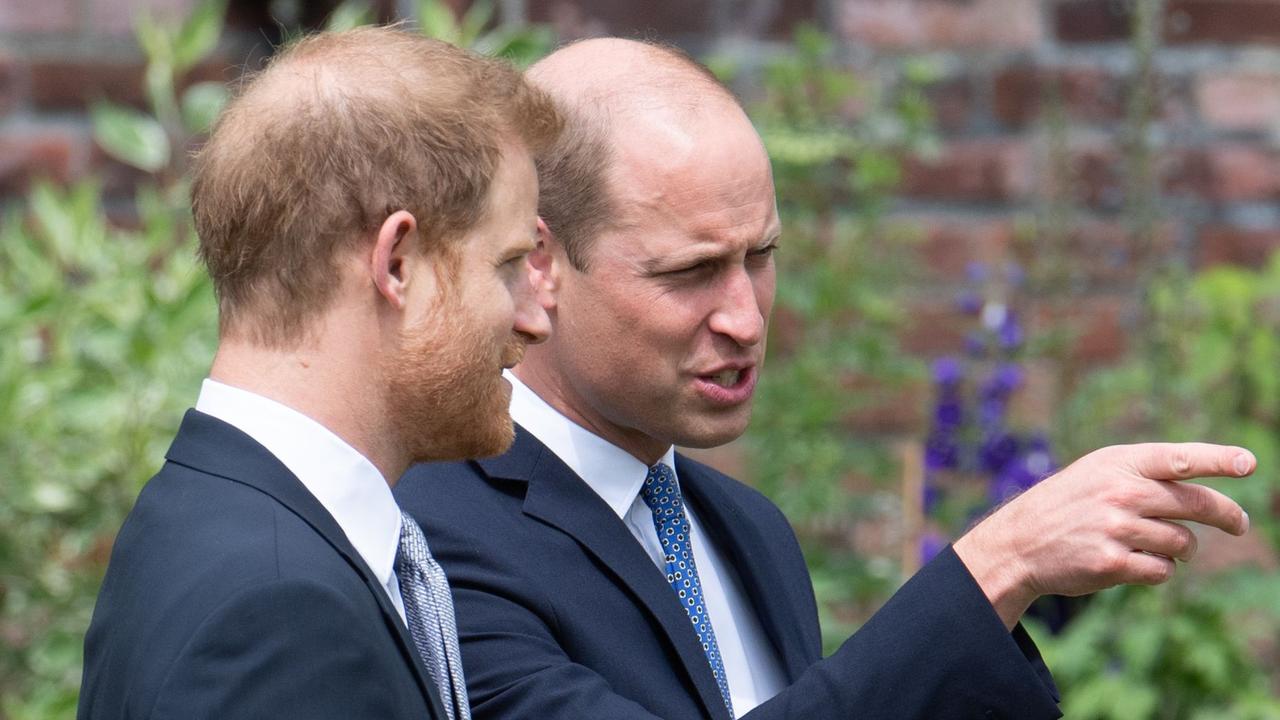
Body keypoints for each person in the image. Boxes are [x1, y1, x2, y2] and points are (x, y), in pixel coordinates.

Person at [394, 38, 1254, 720]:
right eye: (690, 272)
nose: (744, 315)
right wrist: (999, 564)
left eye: (759, 257)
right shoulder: (436, 533)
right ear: (539, 264)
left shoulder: (745, 530)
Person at [78, 27, 560, 720]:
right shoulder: (276, 610)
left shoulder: (213, 520)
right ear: (398, 263)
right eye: (508, 265)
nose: (533, 320)